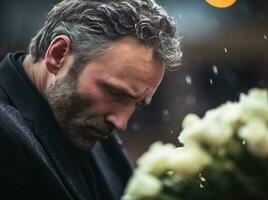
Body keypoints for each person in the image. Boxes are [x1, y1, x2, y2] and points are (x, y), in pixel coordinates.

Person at [0, 0, 182, 199]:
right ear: (58, 54)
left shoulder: (88, 124)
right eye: (114, 92)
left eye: (137, 104)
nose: (121, 123)